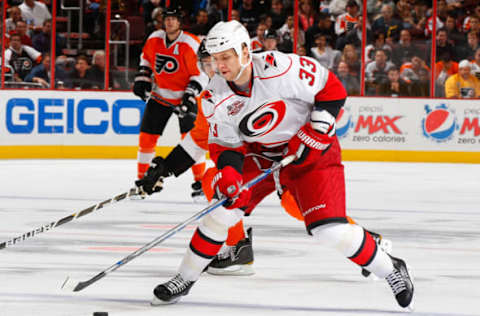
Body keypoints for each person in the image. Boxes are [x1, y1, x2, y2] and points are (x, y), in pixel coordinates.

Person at [145, 20, 414, 310]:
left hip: (312, 153)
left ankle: (391, 269)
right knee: (221, 211)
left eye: (226, 57)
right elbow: (226, 145)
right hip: (260, 156)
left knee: (328, 230)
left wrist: (314, 131)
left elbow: (332, 90)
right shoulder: (213, 95)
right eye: (214, 59)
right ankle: (185, 278)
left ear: (245, 52)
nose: (219, 66)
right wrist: (231, 174)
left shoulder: (281, 68)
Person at [133, 5, 208, 200]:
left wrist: (190, 97)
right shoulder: (155, 38)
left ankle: (200, 183)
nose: (169, 21)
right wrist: (143, 77)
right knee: (146, 139)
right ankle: (143, 182)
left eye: (174, 18)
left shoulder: (190, 43)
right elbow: (147, 59)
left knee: (192, 142)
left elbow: (200, 74)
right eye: (167, 18)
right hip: (160, 96)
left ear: (180, 22)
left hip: (185, 97)